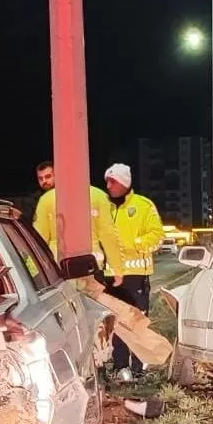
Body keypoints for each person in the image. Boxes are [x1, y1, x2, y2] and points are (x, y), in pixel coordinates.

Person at [103, 163, 165, 381]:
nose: (109, 186)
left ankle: (139, 368)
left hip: (136, 276)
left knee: (137, 321)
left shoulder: (143, 206)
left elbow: (157, 236)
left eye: (113, 182)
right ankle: (121, 367)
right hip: (110, 276)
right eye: (107, 182)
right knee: (118, 323)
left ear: (125, 183)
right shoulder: (104, 207)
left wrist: (134, 244)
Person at [32, 184, 125, 287]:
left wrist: (33, 271)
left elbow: (38, 239)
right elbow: (108, 235)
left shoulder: (47, 199)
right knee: (89, 301)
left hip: (59, 267)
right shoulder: (98, 196)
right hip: (91, 265)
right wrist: (117, 269)